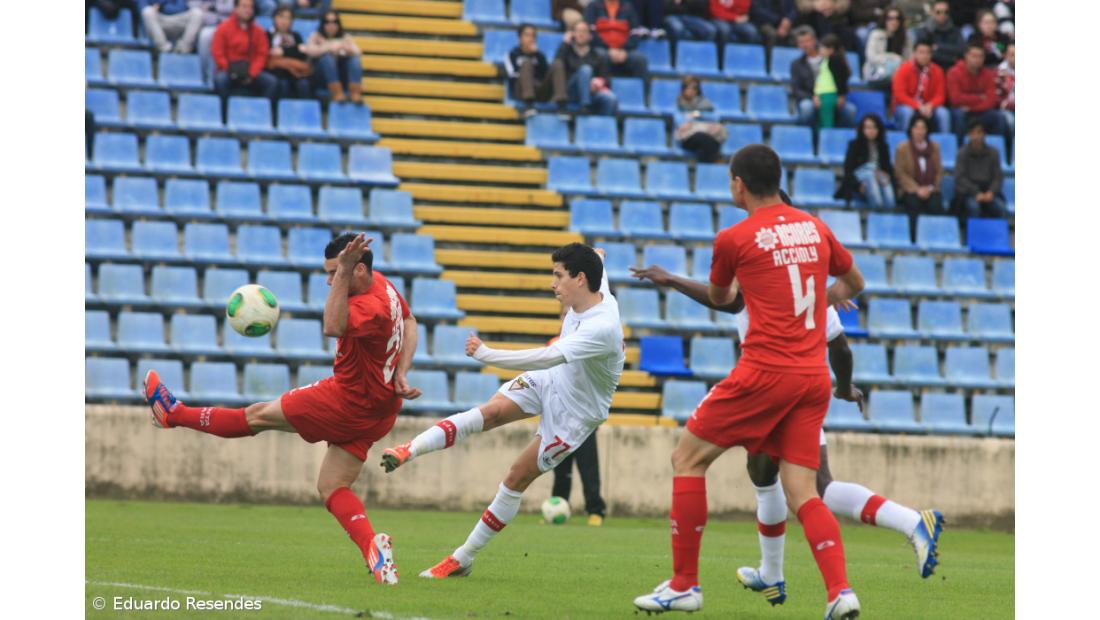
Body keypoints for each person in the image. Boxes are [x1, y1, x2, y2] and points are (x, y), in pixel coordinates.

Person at [632, 144, 866, 617]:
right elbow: (854, 283)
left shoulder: (735, 238)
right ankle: (840, 592)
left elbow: (722, 298)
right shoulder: (816, 228)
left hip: (765, 371)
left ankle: (683, 585)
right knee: (802, 491)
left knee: (688, 457)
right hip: (812, 377)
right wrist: (824, 299)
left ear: (738, 183)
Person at [629, 257, 943, 606]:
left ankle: (910, 522)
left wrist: (671, 278)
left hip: (768, 385)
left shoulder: (768, 279)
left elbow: (729, 299)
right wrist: (842, 387)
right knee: (768, 474)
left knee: (807, 487)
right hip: (804, 387)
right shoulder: (811, 291)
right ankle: (775, 575)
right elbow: (839, 346)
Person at [141, 233, 420, 586]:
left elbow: (332, 325)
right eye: (329, 272)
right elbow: (410, 322)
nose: (330, 280)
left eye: (337, 272)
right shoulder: (383, 285)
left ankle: (173, 414)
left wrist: (344, 274)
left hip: (346, 401)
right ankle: (373, 550)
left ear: (359, 269)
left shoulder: (370, 305)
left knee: (256, 416)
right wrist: (402, 371)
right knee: (332, 486)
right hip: (380, 411)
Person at [381, 244, 625, 579]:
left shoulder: (603, 327)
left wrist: (486, 353)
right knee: (491, 412)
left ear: (580, 279)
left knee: (516, 477)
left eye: (558, 275)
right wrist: (597, 254)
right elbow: (597, 257)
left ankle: (463, 557)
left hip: (576, 413)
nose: (552, 283)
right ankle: (411, 449)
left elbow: (545, 356)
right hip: (551, 381)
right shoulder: (594, 280)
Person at [211, 0, 278, 103]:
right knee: (220, 80)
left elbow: (262, 55)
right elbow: (218, 53)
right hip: (229, 70)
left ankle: (262, 114)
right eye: (244, 6)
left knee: (272, 82)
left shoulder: (258, 31)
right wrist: (232, 71)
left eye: (250, 7)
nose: (248, 10)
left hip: (251, 71)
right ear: (236, 8)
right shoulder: (223, 28)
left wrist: (252, 73)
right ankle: (223, 117)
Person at [792, 27, 856, 128]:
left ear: (814, 40)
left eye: (807, 41)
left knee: (850, 111)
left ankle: (839, 138)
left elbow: (841, 77)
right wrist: (812, 97)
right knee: (806, 108)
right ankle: (810, 138)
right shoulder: (796, 64)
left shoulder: (830, 58)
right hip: (810, 98)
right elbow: (796, 89)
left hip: (832, 95)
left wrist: (841, 95)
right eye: (801, 42)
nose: (804, 45)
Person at [554, 21, 619, 115]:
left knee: (611, 99)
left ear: (590, 36)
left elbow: (607, 79)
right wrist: (565, 43)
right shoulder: (566, 51)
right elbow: (556, 66)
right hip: (570, 92)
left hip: (591, 93)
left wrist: (597, 84)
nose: (581, 34)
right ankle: (585, 106)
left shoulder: (597, 55)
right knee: (585, 70)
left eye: (584, 31)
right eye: (578, 31)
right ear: (573, 34)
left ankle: (602, 126)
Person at [895, 115, 946, 233]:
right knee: (913, 203)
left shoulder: (935, 148)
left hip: (930, 189)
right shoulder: (902, 148)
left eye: (923, 128)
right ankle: (913, 238)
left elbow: (939, 171)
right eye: (916, 128)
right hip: (910, 189)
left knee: (936, 204)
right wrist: (916, 189)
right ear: (911, 130)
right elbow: (900, 173)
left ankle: (935, 236)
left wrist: (930, 188)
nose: (919, 131)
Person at [947, 42, 1006, 141]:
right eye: (974, 56)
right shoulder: (954, 72)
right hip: (961, 111)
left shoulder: (988, 74)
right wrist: (979, 97)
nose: (977, 60)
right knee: (959, 115)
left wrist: (971, 107)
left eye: (980, 56)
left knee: (999, 117)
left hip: (978, 111)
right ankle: (959, 149)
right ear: (966, 56)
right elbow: (955, 99)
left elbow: (991, 100)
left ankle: (997, 150)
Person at [891, 39, 950, 134]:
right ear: (914, 53)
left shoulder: (938, 71)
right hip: (907, 106)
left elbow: (940, 95)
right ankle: (904, 144)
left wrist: (930, 106)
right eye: (921, 52)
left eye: (928, 53)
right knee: (907, 112)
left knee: (943, 113)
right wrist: (918, 106)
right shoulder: (903, 69)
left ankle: (945, 145)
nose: (924, 56)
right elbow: (899, 94)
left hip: (928, 107)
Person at [837, 113, 895, 209]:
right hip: (860, 180)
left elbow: (887, 168)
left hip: (879, 178)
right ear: (862, 129)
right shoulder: (854, 145)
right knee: (870, 174)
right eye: (868, 128)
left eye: (874, 127)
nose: (871, 131)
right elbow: (848, 171)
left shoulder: (883, 147)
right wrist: (858, 185)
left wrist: (885, 176)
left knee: (890, 202)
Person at [506, 23, 567, 115]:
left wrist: (537, 54)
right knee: (527, 63)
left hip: (540, 91)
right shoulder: (512, 54)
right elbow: (511, 76)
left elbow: (546, 75)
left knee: (557, 63)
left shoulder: (540, 55)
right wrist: (526, 70)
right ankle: (528, 105)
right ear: (520, 38)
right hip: (521, 90)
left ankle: (561, 106)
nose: (531, 38)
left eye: (533, 35)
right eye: (527, 35)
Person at [551, 432, 608, 526]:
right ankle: (557, 511)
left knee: (589, 473)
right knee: (561, 474)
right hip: (562, 431)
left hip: (584, 427)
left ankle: (595, 512)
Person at [305, 10, 362, 103]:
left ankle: (355, 92)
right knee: (327, 58)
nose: (331, 25)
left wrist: (345, 48)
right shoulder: (316, 36)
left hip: (341, 75)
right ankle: (336, 92)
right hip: (321, 78)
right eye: (327, 22)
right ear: (323, 24)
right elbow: (309, 51)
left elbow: (358, 52)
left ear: (338, 24)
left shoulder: (345, 37)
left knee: (354, 60)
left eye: (334, 22)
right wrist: (328, 47)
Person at [953, 119, 1006, 219]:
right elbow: (960, 178)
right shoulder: (962, 153)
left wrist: (991, 192)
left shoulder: (994, 153)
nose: (976, 136)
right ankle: (973, 234)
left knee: (1000, 207)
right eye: (973, 133)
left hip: (989, 192)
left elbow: (998, 177)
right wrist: (976, 192)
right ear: (969, 135)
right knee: (974, 207)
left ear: (984, 134)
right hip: (968, 193)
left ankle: (998, 234)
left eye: (979, 133)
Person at [585, 0, 650, 79]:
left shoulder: (628, 7)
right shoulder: (593, 6)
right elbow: (590, 32)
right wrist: (609, 49)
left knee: (640, 59)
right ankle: (604, 88)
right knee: (601, 55)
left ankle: (645, 91)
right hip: (601, 48)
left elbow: (635, 33)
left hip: (624, 50)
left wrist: (623, 49)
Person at [674, 76, 727, 163]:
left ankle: (706, 168)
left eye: (694, 88)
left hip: (705, 132)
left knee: (711, 141)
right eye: (688, 87)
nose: (691, 90)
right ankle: (717, 161)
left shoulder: (704, 103)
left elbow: (715, 117)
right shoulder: (678, 103)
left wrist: (698, 114)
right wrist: (690, 122)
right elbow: (679, 121)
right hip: (687, 136)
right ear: (683, 89)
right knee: (705, 139)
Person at [266, 6, 312, 99]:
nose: (284, 21)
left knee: (304, 84)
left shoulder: (296, 35)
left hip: (296, 73)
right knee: (283, 84)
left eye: (288, 18)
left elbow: (302, 53)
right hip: (277, 72)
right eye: (281, 17)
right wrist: (294, 50)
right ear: (274, 18)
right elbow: (269, 54)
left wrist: (283, 51)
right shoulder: (268, 35)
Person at [862, 6, 909, 86]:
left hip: (898, 74)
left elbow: (908, 60)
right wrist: (892, 58)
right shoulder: (876, 35)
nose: (894, 22)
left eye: (897, 19)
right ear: (885, 20)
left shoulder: (905, 38)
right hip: (876, 71)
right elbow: (871, 57)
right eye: (890, 18)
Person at [915, 0, 965, 71]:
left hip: (951, 69)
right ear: (932, 13)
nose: (942, 15)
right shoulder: (925, 31)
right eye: (938, 12)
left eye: (946, 12)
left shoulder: (956, 31)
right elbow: (924, 54)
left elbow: (961, 50)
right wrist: (951, 57)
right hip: (930, 70)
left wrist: (938, 47)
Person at [196, 0, 236, 85]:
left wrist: (212, 7)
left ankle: (227, 75)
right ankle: (205, 78)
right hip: (208, 24)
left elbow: (234, 8)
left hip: (231, 25)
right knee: (205, 36)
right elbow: (194, 5)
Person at [997, 42, 1014, 137]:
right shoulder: (1000, 72)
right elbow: (999, 98)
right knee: (1011, 121)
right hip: (1006, 108)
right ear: (1006, 55)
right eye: (1012, 54)